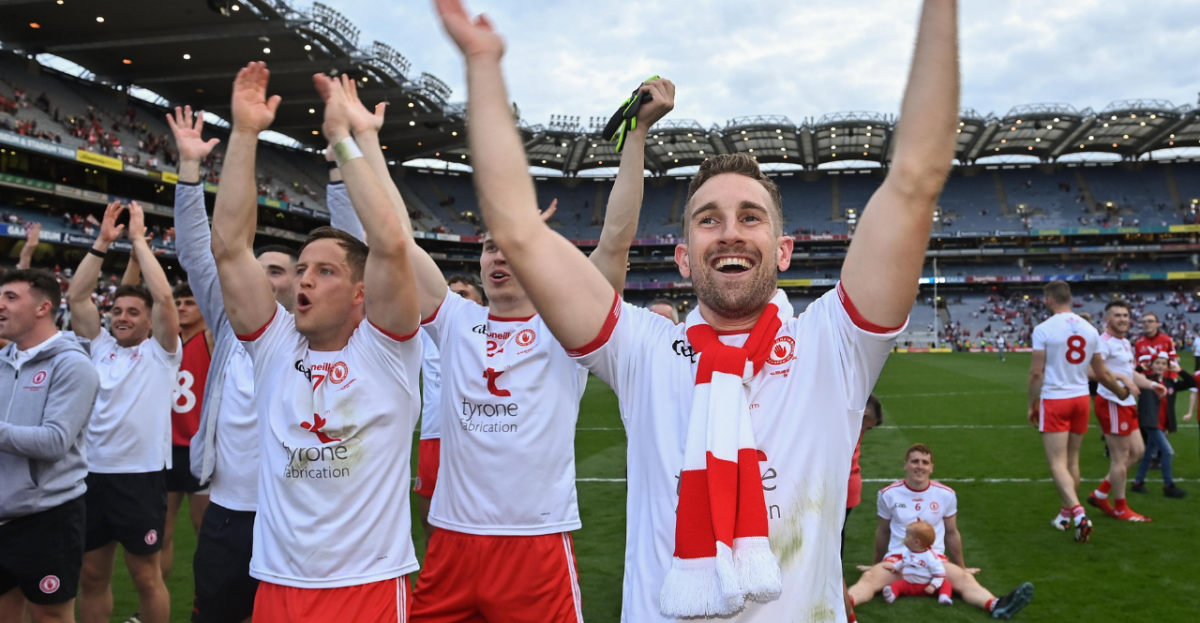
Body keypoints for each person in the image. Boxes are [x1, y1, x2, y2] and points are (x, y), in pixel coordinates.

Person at [435, 0, 957, 619]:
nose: (730, 233)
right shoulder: (642, 350)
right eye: (709, 220)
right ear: (684, 258)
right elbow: (519, 232)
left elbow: (915, 177)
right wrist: (484, 67)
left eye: (750, 218)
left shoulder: (833, 344)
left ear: (783, 250)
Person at [325, 65, 670, 619]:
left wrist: (636, 139)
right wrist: (363, 141)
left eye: (508, 248)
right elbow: (394, 238)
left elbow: (615, 241)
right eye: (488, 248)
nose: (497, 257)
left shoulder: (568, 329)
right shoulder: (456, 318)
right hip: (452, 541)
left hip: (535, 544)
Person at [211, 63, 421, 620]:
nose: (303, 279)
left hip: (368, 587)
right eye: (302, 268)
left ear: (360, 293)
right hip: (277, 584)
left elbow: (392, 245)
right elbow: (230, 248)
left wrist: (343, 143)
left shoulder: (387, 351)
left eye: (324, 272)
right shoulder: (276, 348)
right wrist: (245, 134)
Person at [165, 104, 300, 623]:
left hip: (292, 512)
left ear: (296, 282)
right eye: (256, 267)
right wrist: (190, 170)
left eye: (278, 271)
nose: (264, 278)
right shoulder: (225, 321)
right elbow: (199, 252)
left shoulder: (314, 335)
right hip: (227, 511)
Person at [66, 201, 182, 623]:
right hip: (91, 475)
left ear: (150, 322)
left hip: (141, 478)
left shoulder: (162, 353)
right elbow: (77, 295)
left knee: (146, 577)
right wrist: (101, 242)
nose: (122, 318)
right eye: (116, 311)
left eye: (133, 312)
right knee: (92, 575)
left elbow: (165, 296)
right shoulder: (98, 347)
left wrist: (137, 241)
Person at [0, 269, 100, 623]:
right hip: (3, 512)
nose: (1, 305)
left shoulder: (73, 364)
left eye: (11, 297)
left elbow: (55, 440)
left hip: (48, 516)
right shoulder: (2, 361)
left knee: (51, 616)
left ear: (44, 307)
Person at [847, 445, 1033, 618]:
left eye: (925, 462)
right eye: (915, 461)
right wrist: (876, 563)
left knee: (964, 579)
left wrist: (961, 567)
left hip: (934, 561)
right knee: (870, 578)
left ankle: (996, 605)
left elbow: (952, 533)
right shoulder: (888, 494)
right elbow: (883, 531)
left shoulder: (946, 494)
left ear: (931, 468)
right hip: (899, 560)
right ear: (905, 465)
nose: (920, 466)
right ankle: (842, 605)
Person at [1027, 280, 1131, 542]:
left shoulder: (1043, 328)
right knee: (1073, 460)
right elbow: (1101, 372)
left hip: (1056, 398)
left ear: (1049, 300)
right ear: (1070, 298)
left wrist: (1031, 403)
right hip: (1081, 398)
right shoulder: (1089, 329)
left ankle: (1078, 513)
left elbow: (1036, 372)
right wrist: (1120, 392)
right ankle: (1065, 515)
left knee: (1057, 463)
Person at [1086, 300, 1164, 523]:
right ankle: (1120, 507)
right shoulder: (1103, 342)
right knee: (1119, 458)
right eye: (1117, 315)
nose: (1123, 319)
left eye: (1125, 315)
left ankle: (1101, 494)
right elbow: (1090, 371)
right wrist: (1119, 379)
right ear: (1107, 319)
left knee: (1138, 452)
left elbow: (1130, 372)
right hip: (1112, 402)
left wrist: (1152, 385)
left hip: (1127, 403)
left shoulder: (1125, 342)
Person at [1130, 354, 1187, 498]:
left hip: (1162, 424)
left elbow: (1191, 383)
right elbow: (1130, 377)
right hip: (1151, 422)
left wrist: (1180, 371)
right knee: (1167, 452)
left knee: (1149, 452)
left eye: (1163, 363)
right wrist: (1139, 368)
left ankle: (1137, 483)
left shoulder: (1170, 383)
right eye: (1157, 363)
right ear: (1151, 365)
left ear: (1167, 366)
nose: (1160, 366)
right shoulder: (1146, 381)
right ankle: (1169, 486)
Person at [881, 521, 952, 606]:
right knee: (896, 585)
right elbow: (904, 561)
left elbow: (940, 574)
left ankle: (944, 598)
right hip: (909, 585)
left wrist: (933, 586)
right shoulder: (908, 552)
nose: (904, 538)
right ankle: (891, 596)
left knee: (946, 584)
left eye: (907, 536)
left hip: (927, 587)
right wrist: (895, 567)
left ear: (916, 542)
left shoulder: (931, 557)